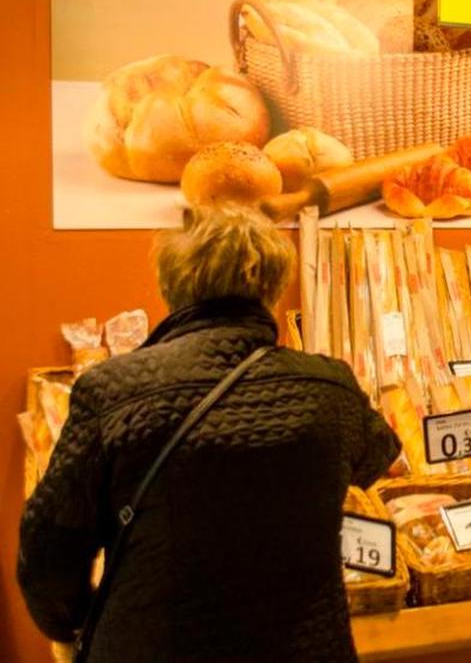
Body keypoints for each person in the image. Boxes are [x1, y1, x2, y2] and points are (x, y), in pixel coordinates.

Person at [18, 204, 400, 662]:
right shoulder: (329, 386)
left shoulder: (111, 388)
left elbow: (47, 549)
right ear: (272, 287)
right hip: (302, 647)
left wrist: (72, 625)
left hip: (151, 645)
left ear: (171, 285)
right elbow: (382, 457)